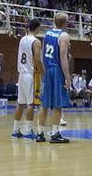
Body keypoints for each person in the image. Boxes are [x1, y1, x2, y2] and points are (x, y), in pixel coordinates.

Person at [36, 12, 71, 144]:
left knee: (44, 104)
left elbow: (42, 54)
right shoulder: (64, 36)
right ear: (65, 23)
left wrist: (44, 71)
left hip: (47, 69)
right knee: (58, 104)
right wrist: (67, 77)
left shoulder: (47, 34)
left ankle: (39, 133)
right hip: (57, 70)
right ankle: (55, 133)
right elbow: (63, 57)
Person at [11, 19, 42, 140]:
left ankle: (15, 130)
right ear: (37, 28)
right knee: (31, 103)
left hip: (21, 74)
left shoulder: (22, 39)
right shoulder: (36, 42)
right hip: (30, 74)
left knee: (20, 103)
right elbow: (38, 60)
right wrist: (43, 72)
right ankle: (28, 130)